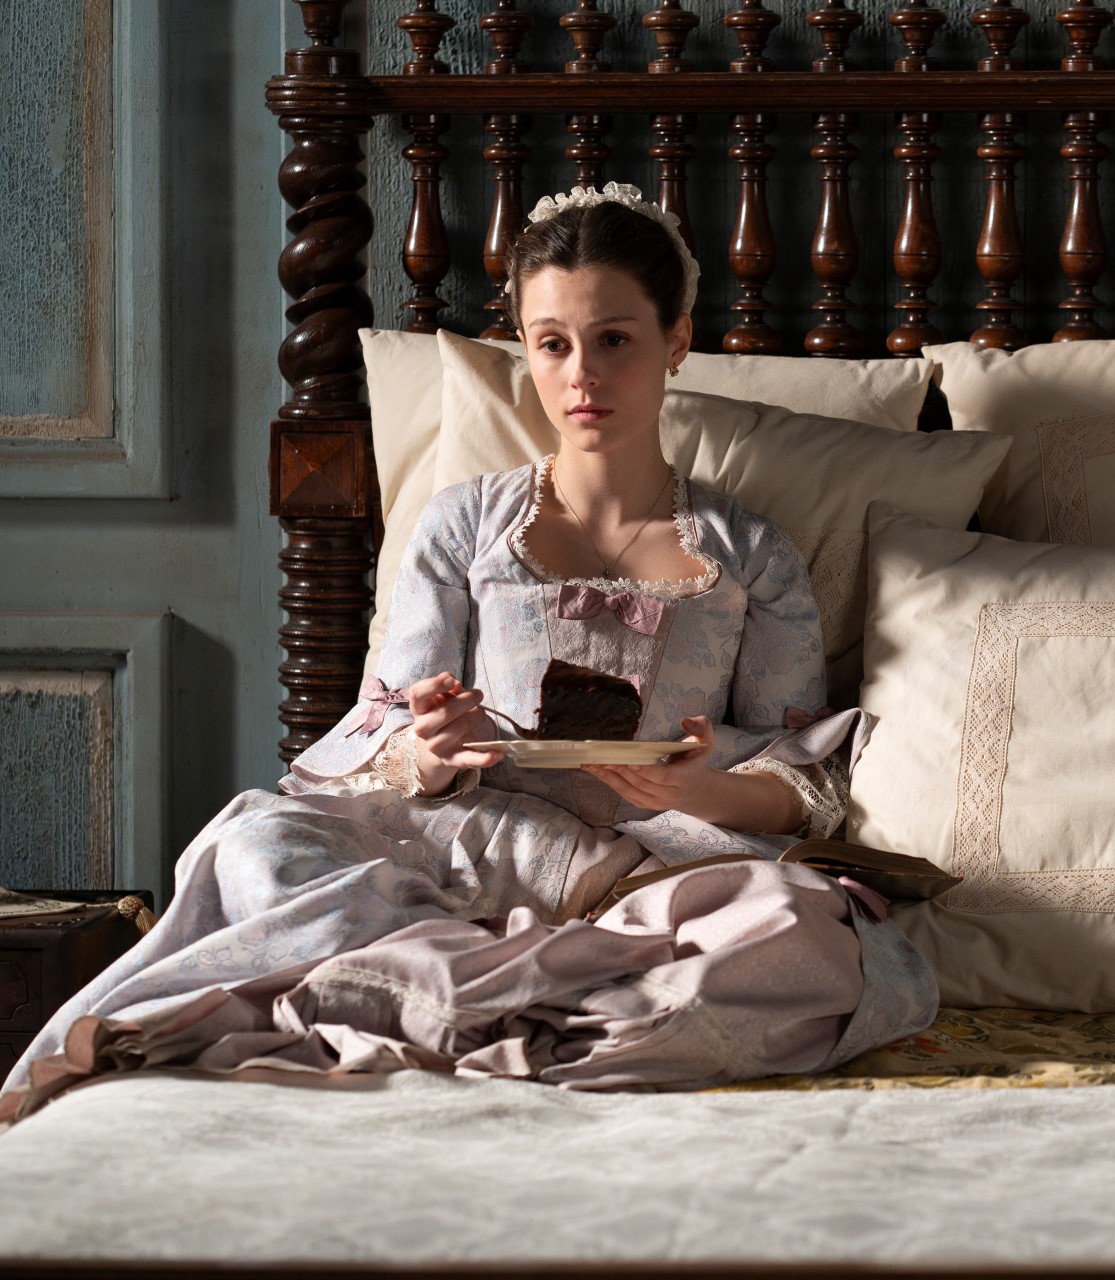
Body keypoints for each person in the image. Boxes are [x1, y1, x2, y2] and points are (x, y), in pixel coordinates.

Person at [0, 184, 938, 1122]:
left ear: (677, 340)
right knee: (255, 844)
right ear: (525, 348)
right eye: (553, 344)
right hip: (460, 856)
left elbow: (802, 777)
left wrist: (698, 790)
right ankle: (516, 1001)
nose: (582, 376)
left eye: (615, 339)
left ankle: (438, 1000)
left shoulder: (752, 553)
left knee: (804, 930)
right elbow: (388, 727)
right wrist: (434, 750)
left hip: (655, 875)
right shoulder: (464, 525)